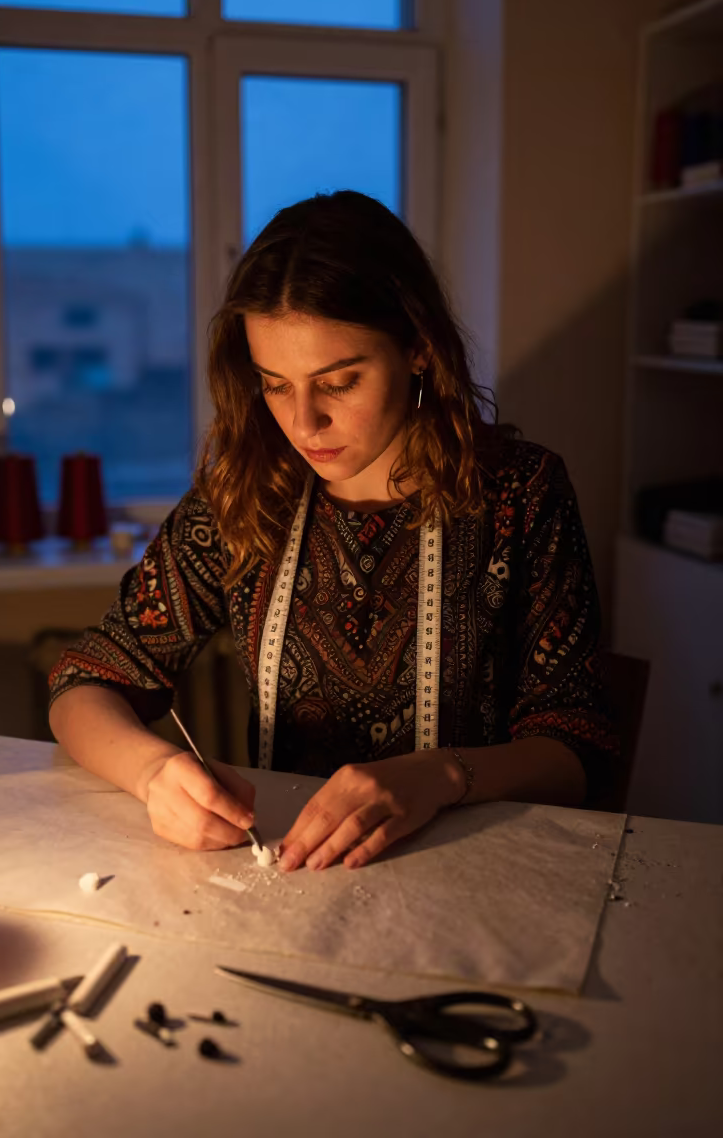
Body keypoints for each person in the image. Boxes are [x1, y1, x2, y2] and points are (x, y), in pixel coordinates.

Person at [49, 190, 617, 873]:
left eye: (339, 381)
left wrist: (441, 775)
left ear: (417, 350)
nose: (303, 423)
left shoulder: (520, 497)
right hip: (296, 880)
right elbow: (84, 681)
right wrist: (153, 773)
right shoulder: (246, 498)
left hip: (477, 877)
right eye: (275, 384)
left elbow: (576, 747)